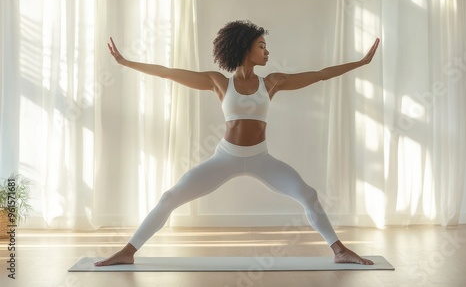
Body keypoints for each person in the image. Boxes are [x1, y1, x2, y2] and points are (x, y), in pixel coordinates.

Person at [95, 20, 380, 267]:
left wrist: (361, 62)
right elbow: (168, 72)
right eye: (261, 46)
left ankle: (340, 251)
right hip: (225, 158)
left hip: (261, 158)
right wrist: (126, 62)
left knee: (308, 195)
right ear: (245, 48)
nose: (267, 51)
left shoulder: (273, 83)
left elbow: (320, 74)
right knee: (170, 198)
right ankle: (128, 252)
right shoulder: (217, 81)